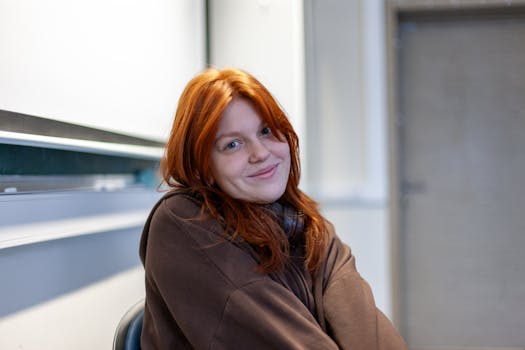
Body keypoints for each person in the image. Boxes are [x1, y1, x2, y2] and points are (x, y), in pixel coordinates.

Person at [139, 67, 408, 349]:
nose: (260, 153)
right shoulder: (183, 222)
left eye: (265, 131)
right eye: (232, 144)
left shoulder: (298, 217)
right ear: (203, 167)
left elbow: (364, 324)